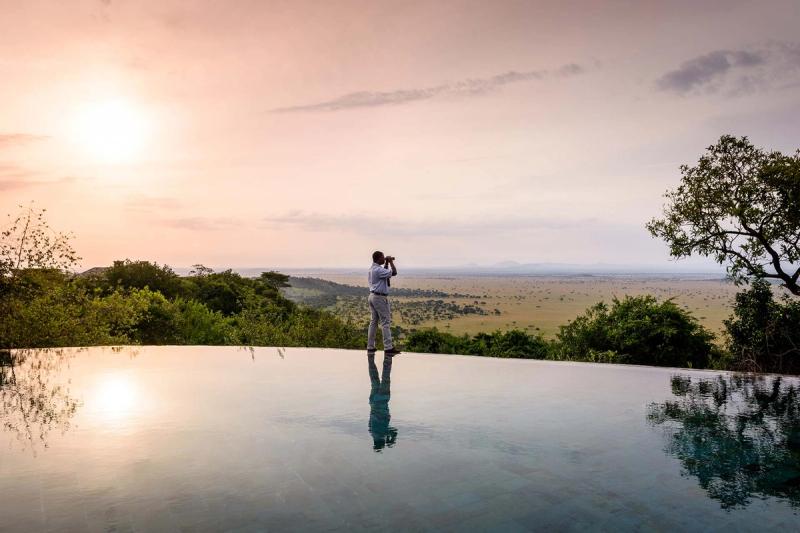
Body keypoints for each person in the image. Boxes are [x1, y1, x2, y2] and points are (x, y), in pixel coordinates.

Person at [367, 251, 401, 356]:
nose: (384, 258)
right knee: (385, 322)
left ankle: (370, 346)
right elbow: (394, 272)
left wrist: (386, 263)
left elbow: (385, 274)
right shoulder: (378, 270)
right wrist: (390, 262)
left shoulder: (372, 269)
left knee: (373, 322)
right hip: (380, 298)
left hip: (372, 296)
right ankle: (388, 347)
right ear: (378, 258)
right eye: (383, 257)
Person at [367, 352, 397, 451]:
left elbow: (395, 432)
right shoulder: (371, 431)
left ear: (382, 442)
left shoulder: (383, 433)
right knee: (374, 378)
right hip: (373, 402)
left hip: (383, 400)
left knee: (386, 377)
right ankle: (370, 355)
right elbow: (370, 420)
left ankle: (388, 355)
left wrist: (391, 440)